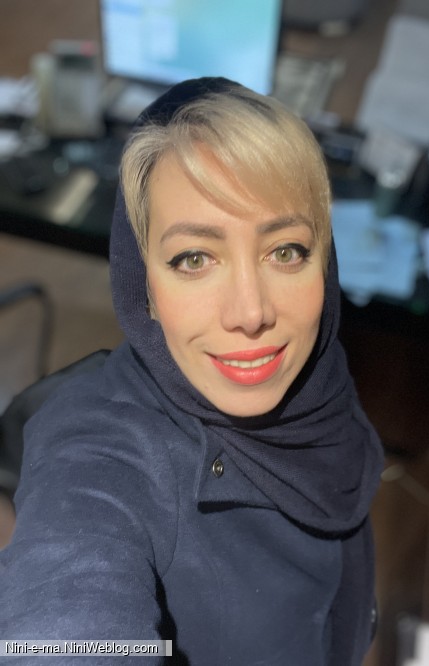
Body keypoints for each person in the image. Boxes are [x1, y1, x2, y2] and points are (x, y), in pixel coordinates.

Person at [0, 77, 383, 664]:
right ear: (144, 286)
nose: (251, 313)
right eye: (194, 258)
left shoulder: (320, 387)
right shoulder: (102, 453)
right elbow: (66, 616)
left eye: (285, 251)